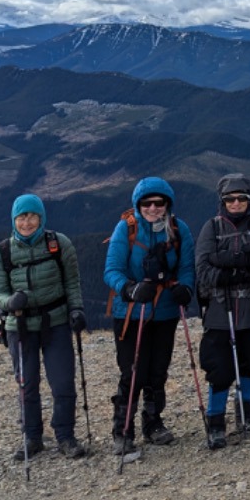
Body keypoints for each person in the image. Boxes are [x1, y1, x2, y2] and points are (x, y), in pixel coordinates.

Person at [103, 177, 196, 452]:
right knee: (133, 371)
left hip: (165, 311)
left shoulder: (179, 229)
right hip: (131, 313)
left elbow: (187, 267)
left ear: (168, 203)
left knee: (158, 370)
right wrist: (130, 289)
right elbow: (112, 270)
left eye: (159, 202)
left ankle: (153, 423)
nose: (153, 208)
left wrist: (186, 288)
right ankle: (123, 429)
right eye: (146, 203)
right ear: (138, 204)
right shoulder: (126, 228)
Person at [0, 193, 87, 460]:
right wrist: (10, 302)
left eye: (32, 216)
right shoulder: (4, 252)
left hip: (55, 321)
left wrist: (76, 309)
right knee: (27, 383)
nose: (27, 223)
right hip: (20, 325)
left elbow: (72, 283)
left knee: (63, 382)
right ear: (14, 220)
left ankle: (65, 436)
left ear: (41, 218)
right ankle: (32, 437)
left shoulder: (59, 244)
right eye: (21, 217)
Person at [194, 173, 250, 448]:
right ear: (222, 201)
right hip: (221, 309)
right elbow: (202, 268)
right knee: (219, 367)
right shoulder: (212, 227)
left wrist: (231, 262)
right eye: (229, 199)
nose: (235, 203)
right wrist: (238, 270)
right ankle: (216, 421)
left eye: (241, 198)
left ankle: (246, 415)